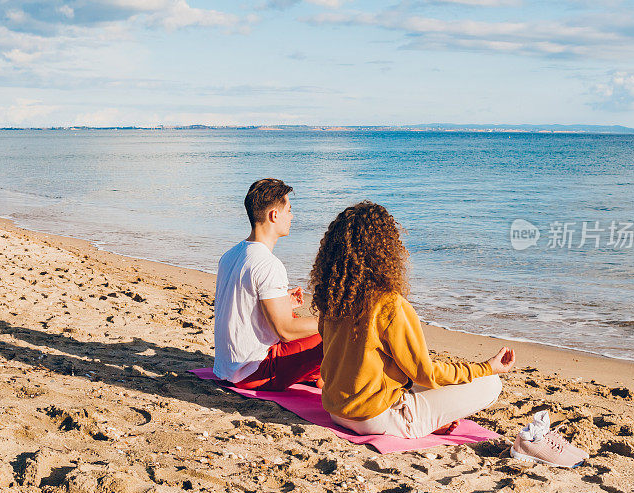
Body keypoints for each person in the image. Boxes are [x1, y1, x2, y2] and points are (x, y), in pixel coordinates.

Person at [309, 201, 515, 438]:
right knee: (491, 384)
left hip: (337, 410)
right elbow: (423, 373)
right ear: (385, 249)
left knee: (417, 380)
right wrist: (486, 368)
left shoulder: (333, 296)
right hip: (375, 418)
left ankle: (429, 417)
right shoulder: (389, 303)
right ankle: (425, 423)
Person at [213, 178, 322, 391]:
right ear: (274, 215)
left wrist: (283, 302)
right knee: (338, 334)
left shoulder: (230, 255)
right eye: (289, 210)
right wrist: (332, 321)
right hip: (255, 370)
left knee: (299, 319)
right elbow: (285, 332)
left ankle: (319, 375)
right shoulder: (268, 264)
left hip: (228, 367)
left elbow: (239, 307)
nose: (292, 216)